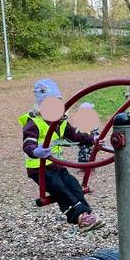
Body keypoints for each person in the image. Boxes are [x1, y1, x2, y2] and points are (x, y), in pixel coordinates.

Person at [19, 79, 104, 232]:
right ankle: (80, 217)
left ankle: (86, 214)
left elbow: (75, 135)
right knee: (59, 187)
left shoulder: (60, 121)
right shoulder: (34, 123)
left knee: (73, 184)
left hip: (57, 165)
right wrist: (36, 151)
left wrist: (92, 139)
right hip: (39, 168)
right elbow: (28, 143)